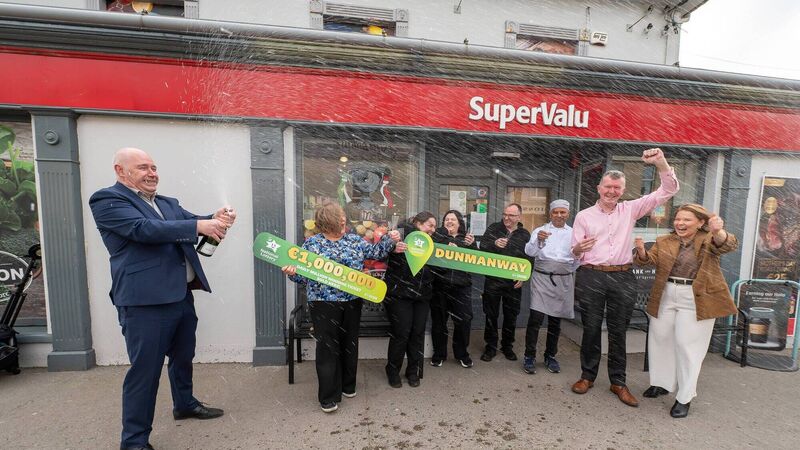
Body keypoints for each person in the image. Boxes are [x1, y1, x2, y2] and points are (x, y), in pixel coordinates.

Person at [89, 148, 234, 450]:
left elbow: (194, 221)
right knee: (145, 372)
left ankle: (185, 404)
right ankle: (134, 441)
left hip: (180, 296)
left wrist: (215, 218)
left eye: (153, 167)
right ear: (120, 171)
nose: (152, 173)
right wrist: (199, 226)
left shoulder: (168, 203)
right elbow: (143, 229)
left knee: (183, 357)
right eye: (143, 167)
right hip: (144, 303)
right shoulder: (107, 200)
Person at [570, 147, 679, 408]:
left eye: (617, 188)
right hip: (591, 275)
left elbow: (668, 190)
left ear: (623, 190)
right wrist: (577, 249)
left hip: (622, 276)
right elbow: (573, 252)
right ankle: (587, 376)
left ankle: (618, 382)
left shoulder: (630, 209)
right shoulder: (583, 216)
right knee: (591, 328)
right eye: (608, 187)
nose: (612, 191)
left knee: (619, 330)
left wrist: (661, 163)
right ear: (599, 188)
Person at [282, 200, 398, 413]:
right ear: (327, 224)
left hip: (352, 301)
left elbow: (377, 252)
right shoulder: (312, 244)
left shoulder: (354, 240)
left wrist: (391, 238)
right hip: (323, 302)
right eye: (339, 221)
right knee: (327, 348)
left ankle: (347, 385)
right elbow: (302, 277)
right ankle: (328, 396)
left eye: (344, 220)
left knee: (349, 343)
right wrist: (292, 273)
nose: (344, 223)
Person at [634, 204, 737, 418]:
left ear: (700, 223)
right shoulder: (664, 240)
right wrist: (642, 252)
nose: (680, 223)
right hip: (666, 293)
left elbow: (727, 244)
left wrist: (718, 231)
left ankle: (684, 396)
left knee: (687, 346)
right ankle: (662, 383)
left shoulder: (708, 239)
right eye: (678, 219)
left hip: (696, 296)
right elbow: (648, 261)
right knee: (660, 339)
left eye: (686, 220)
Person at [522, 200, 580, 375]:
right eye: (556, 212)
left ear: (568, 214)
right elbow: (529, 252)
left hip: (563, 281)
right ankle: (529, 356)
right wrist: (539, 241)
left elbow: (578, 260)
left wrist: (572, 262)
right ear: (550, 213)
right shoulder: (540, 231)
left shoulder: (574, 233)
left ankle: (550, 356)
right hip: (542, 278)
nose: (559, 215)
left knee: (555, 321)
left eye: (563, 212)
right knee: (535, 319)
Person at [383, 211, 437, 388]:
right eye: (430, 225)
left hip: (422, 296)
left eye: (435, 227)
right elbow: (383, 251)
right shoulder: (400, 235)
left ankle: (413, 371)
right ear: (418, 223)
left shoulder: (433, 242)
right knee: (401, 333)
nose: (433, 230)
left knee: (417, 334)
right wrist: (391, 244)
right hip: (400, 295)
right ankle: (392, 371)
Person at [479, 203, 531, 362]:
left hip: (513, 282)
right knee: (491, 314)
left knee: (511, 315)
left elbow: (529, 257)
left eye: (511, 215)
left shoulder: (524, 234)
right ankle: (490, 347)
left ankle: (507, 346)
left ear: (519, 217)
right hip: (493, 279)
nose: (507, 218)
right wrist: (494, 244)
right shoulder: (493, 229)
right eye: (505, 214)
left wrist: (524, 277)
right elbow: (482, 248)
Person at [430, 210, 477, 368]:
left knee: (464, 320)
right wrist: (444, 246)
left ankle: (462, 354)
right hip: (440, 286)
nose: (449, 221)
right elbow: (430, 256)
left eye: (453, 219)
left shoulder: (467, 239)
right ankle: (439, 354)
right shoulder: (437, 237)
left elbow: (477, 262)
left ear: (459, 223)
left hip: (462, 287)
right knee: (439, 322)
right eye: (446, 219)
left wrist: (471, 246)